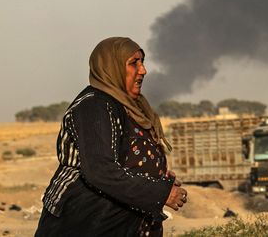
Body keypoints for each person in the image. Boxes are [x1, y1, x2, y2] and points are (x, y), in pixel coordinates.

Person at [35, 37, 187, 237]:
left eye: (142, 62)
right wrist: (159, 193)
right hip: (84, 221)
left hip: (120, 221)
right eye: (134, 63)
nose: (143, 70)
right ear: (111, 67)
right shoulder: (94, 106)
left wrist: (156, 178)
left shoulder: (131, 107)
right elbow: (101, 170)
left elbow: (129, 158)